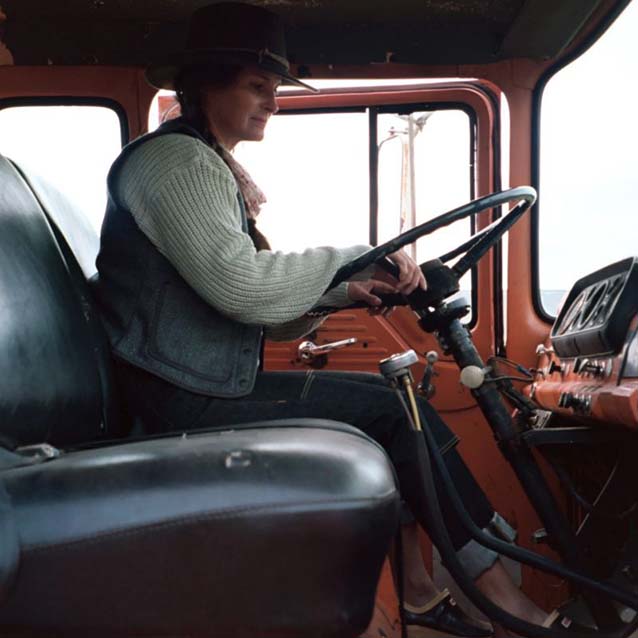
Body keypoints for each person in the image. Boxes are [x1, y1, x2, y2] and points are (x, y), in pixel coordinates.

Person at [93, 3, 546, 636]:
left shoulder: (207, 167)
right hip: (178, 397)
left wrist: (343, 290)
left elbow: (263, 316)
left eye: (274, 90)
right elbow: (243, 288)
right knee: (393, 413)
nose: (272, 104)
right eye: (258, 86)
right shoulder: (176, 164)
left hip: (199, 382)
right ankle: (502, 598)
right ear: (205, 83)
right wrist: (352, 256)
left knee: (395, 401)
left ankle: (422, 588)